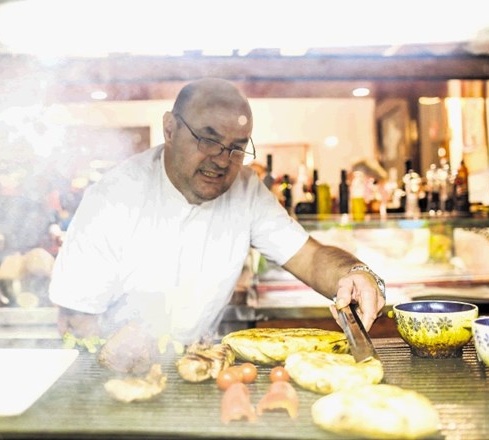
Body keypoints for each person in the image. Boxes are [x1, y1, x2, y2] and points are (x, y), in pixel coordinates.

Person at [49, 78, 385, 355]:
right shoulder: (113, 198)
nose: (223, 160)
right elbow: (75, 319)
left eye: (237, 147)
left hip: (195, 363)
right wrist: (115, 358)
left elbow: (310, 258)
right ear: (169, 129)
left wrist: (354, 274)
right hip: (114, 373)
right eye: (209, 140)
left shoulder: (246, 191)